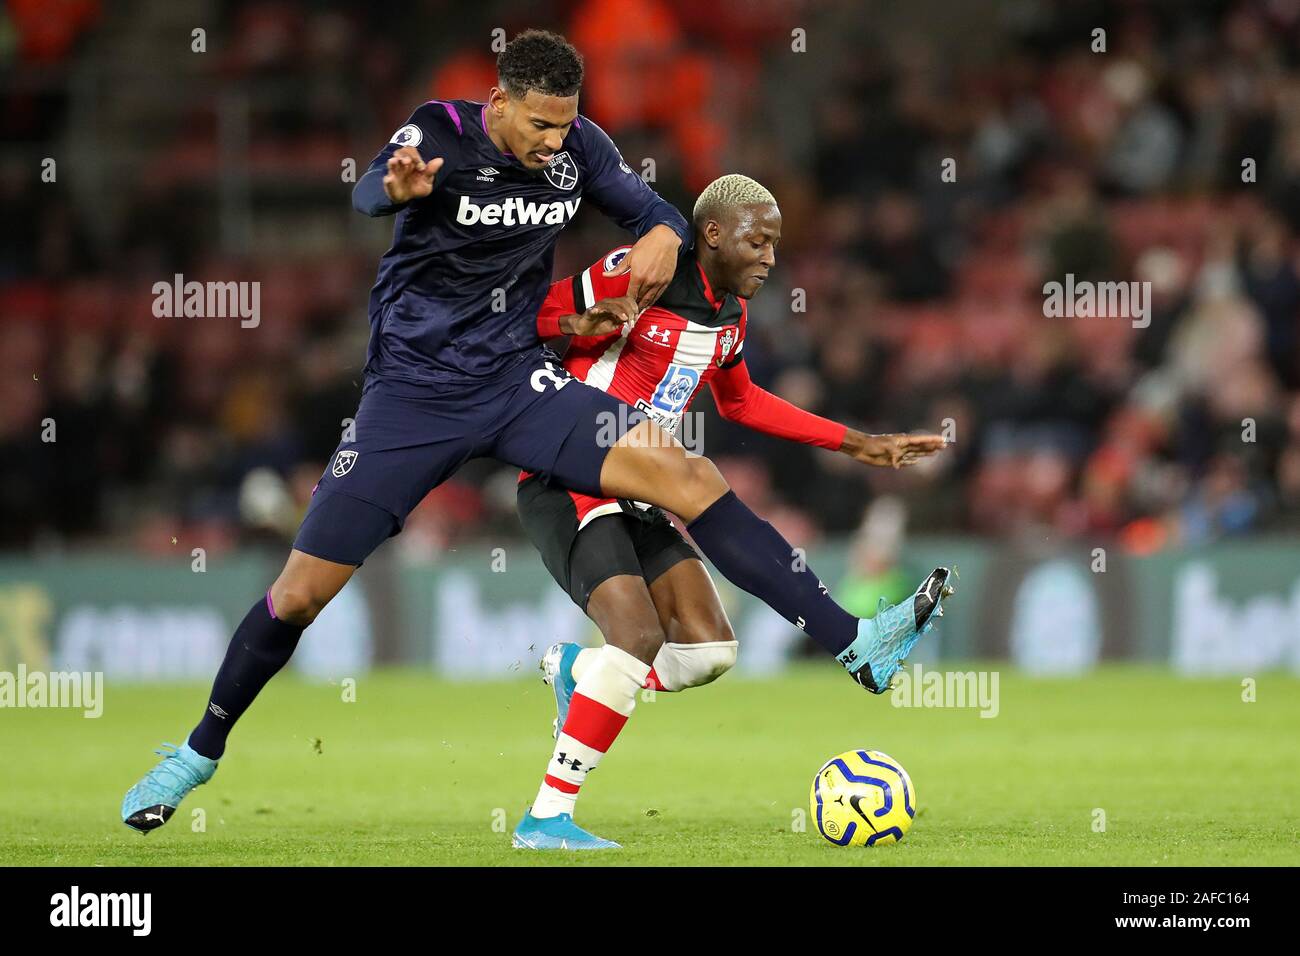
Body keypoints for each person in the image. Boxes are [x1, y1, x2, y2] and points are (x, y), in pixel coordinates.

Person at [122, 31, 948, 846]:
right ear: (499, 104)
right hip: (411, 397)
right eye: (539, 126)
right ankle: (196, 753)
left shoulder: (580, 150)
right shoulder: (439, 132)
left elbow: (655, 211)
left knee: (685, 474)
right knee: (300, 594)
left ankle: (855, 645)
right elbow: (371, 191)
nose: (553, 143)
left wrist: (662, 231)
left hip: (518, 383)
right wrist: (395, 188)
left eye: (565, 125)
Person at [510, 174, 954, 849]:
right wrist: (579, 322)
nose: (770, 259)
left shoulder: (730, 320)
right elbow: (529, 315)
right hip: (568, 472)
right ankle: (546, 817)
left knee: (710, 650)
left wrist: (860, 442)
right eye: (759, 241)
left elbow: (741, 404)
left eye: (775, 246)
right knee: (636, 633)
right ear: (711, 234)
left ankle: (579, 673)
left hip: (639, 485)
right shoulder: (644, 271)